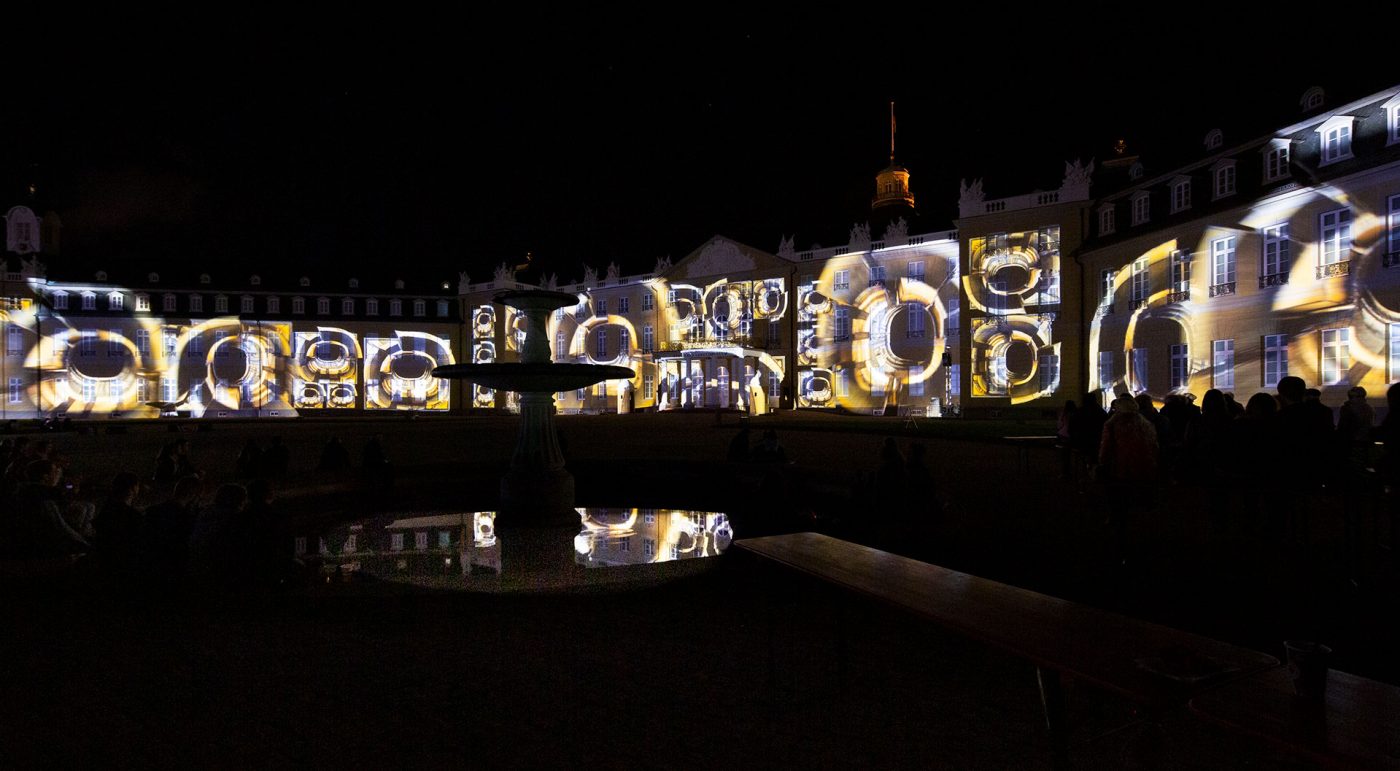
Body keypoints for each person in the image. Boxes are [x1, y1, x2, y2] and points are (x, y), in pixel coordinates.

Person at [1098, 395, 1159, 561]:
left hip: (1119, 470)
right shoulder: (1145, 424)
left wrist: (1102, 463)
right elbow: (1153, 446)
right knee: (1138, 504)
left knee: (1120, 506)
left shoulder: (1112, 424)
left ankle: (1122, 543)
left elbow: (1105, 448)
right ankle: (1141, 541)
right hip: (1142, 469)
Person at [93, 471, 145, 582]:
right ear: (133, 488)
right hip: (124, 567)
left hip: (105, 564)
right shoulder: (132, 516)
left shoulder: (106, 510)